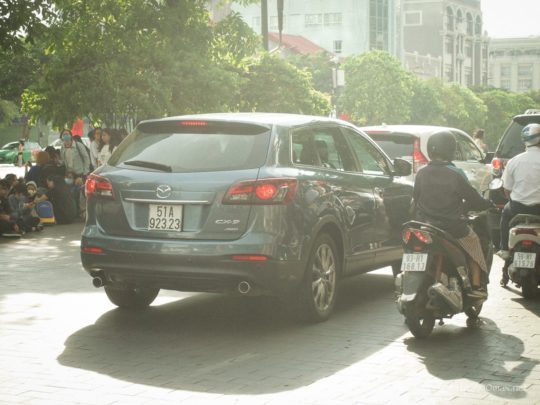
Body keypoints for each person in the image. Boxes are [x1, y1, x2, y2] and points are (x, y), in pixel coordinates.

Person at [413, 131, 493, 298]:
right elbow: (473, 198)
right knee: (474, 244)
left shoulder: (421, 172)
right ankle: (477, 286)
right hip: (452, 227)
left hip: (425, 226)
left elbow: (416, 198)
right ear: (451, 150)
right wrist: (486, 204)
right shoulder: (455, 173)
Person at [497, 124, 540, 276]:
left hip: (516, 208)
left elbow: (507, 188)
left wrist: (514, 200)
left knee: (504, 215)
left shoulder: (514, 161)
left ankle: (503, 248)